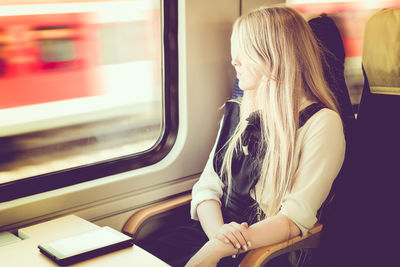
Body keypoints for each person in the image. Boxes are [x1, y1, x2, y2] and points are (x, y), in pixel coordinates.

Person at [139, 6, 345, 267]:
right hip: (216, 232)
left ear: (274, 56)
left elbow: (294, 219)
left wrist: (217, 249)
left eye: (243, 53)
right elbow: (207, 188)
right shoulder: (237, 111)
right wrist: (216, 236)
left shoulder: (322, 124)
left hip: (265, 247)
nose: (234, 61)